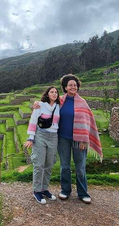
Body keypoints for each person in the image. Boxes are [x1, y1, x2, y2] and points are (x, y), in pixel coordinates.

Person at [34, 74, 103, 204]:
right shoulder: (60, 101)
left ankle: (83, 193)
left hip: (79, 140)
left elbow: (88, 122)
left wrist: (84, 139)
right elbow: (45, 105)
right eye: (70, 85)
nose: (73, 87)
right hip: (63, 139)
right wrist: (37, 103)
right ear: (65, 87)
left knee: (80, 167)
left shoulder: (83, 103)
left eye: (75, 85)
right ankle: (65, 190)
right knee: (64, 166)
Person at [24, 86, 61, 205]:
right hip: (41, 135)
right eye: (52, 92)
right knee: (39, 164)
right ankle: (36, 190)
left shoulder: (59, 107)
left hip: (53, 136)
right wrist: (31, 137)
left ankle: (44, 189)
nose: (54, 94)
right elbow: (33, 120)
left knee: (49, 164)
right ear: (47, 94)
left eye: (56, 92)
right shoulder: (40, 105)